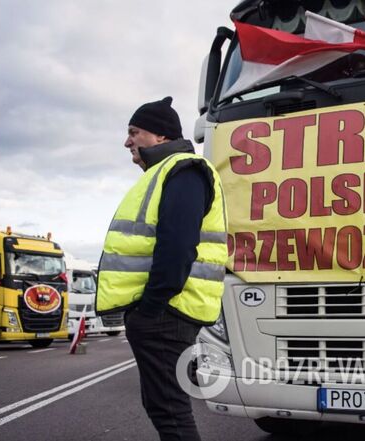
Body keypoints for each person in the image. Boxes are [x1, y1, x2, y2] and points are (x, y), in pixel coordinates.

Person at [96, 97, 228, 441]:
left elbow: (178, 248)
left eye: (134, 132)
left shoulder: (184, 170)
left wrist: (150, 308)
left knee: (169, 411)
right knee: (164, 407)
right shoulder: (170, 172)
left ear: (160, 136)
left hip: (167, 313)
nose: (127, 142)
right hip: (167, 312)